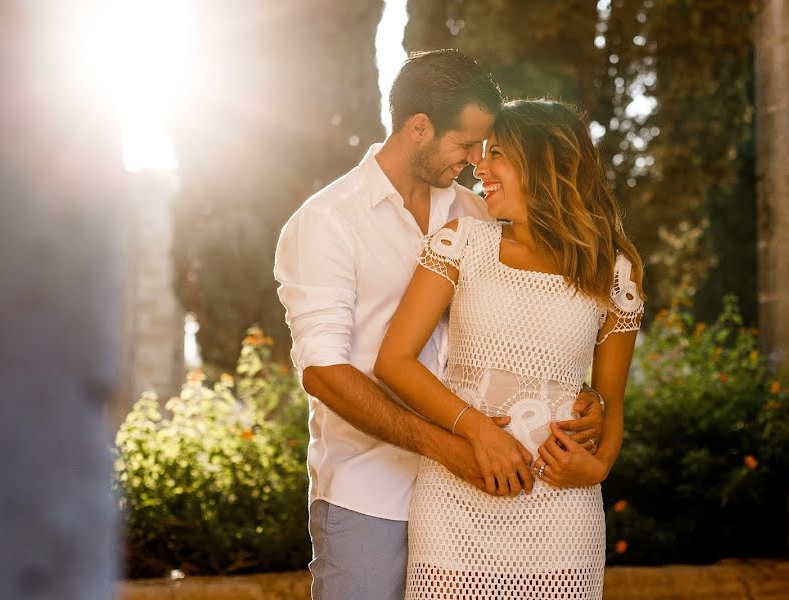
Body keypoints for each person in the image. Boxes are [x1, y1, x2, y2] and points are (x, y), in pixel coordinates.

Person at [274, 51, 604, 599]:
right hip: (369, 493)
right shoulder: (326, 223)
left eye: (486, 146)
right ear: (418, 129)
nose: (477, 160)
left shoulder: (475, 215)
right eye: (466, 143)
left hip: (473, 494)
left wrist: (574, 396)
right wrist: (458, 441)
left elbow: (530, 320)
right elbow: (324, 372)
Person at [374, 98, 645, 599]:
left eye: (496, 152)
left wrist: (600, 465)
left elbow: (611, 404)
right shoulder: (461, 243)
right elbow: (393, 361)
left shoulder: (613, 270)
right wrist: (477, 431)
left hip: (562, 511)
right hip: (458, 497)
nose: (479, 166)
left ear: (547, 162)